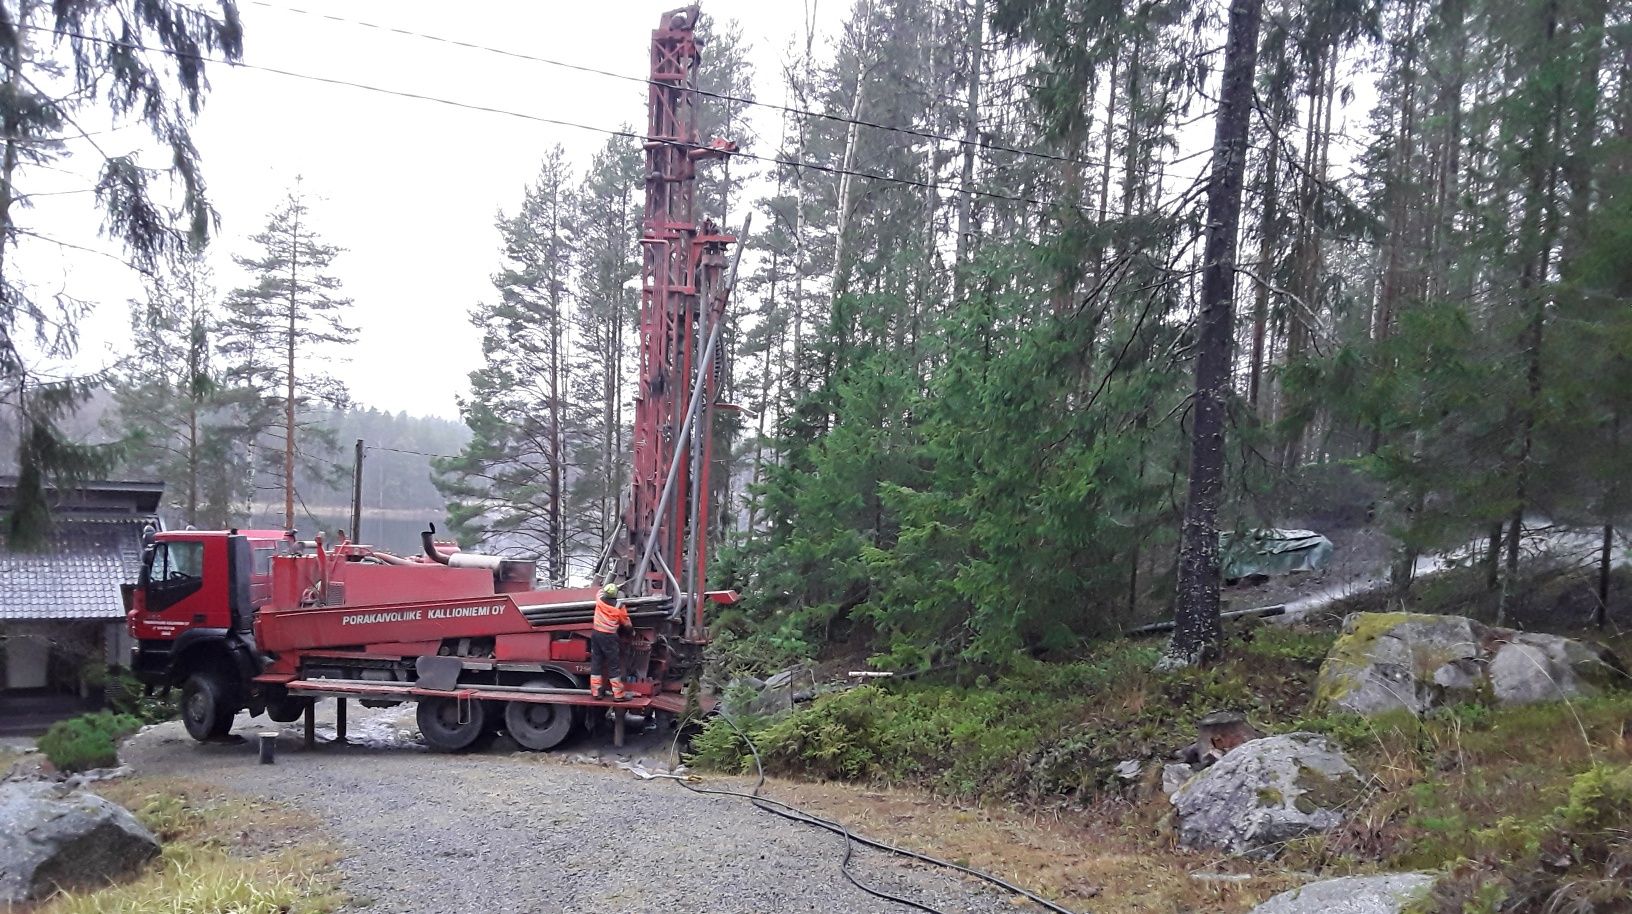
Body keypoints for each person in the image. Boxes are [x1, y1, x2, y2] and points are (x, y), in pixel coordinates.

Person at [590, 583, 633, 701]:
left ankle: (596, 692)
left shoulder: (599, 600)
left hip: (596, 634)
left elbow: (599, 591)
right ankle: (618, 694)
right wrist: (631, 632)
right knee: (613, 665)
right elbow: (627, 624)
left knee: (596, 663)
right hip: (609, 637)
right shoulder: (619, 607)